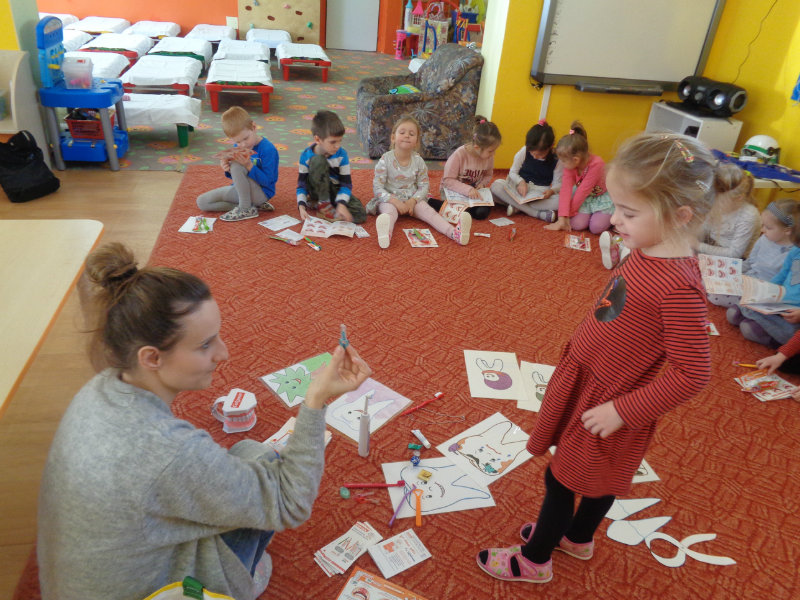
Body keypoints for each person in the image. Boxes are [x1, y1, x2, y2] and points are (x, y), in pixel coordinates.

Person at [37, 243, 372, 600]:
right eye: (205, 345)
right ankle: (240, 582)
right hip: (150, 591)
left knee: (249, 453)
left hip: (85, 579)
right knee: (265, 465)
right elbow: (290, 501)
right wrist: (315, 399)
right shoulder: (169, 450)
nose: (223, 353)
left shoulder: (99, 388)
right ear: (151, 358)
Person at [476, 133, 714, 584]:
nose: (616, 219)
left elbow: (693, 372)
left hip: (612, 401)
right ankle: (577, 537)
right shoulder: (648, 248)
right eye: (617, 208)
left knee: (562, 479)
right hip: (589, 380)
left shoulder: (680, 288)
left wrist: (623, 410)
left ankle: (535, 560)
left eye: (629, 213)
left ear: (680, 216)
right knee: (599, 476)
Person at [367, 115, 471, 248]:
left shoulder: (418, 161)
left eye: (411, 134)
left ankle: (454, 233)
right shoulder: (385, 159)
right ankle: (385, 234)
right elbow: (377, 187)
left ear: (416, 142)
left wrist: (413, 201)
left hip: (412, 199)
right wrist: (394, 201)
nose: (407, 136)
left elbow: (424, 185)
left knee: (429, 212)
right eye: (402, 132)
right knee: (389, 212)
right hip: (390, 199)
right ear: (393, 138)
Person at [727, 213, 800, 351]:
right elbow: (783, 274)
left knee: (751, 329)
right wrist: (767, 289)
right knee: (734, 314)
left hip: (793, 313)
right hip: (781, 300)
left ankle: (774, 339)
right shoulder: (796, 250)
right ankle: (762, 322)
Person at [707, 198, 797, 307]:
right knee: (709, 280)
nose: (762, 230)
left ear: (787, 230)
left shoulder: (794, 253)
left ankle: (746, 308)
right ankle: (744, 307)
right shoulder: (764, 239)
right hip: (749, 279)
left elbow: (788, 284)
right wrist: (728, 272)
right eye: (762, 225)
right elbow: (749, 263)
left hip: (767, 291)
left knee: (715, 296)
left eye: (768, 227)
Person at [197, 106, 279, 222]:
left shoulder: (268, 150)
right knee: (202, 202)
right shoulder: (238, 146)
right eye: (237, 142)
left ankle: (245, 208)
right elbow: (239, 178)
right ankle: (250, 206)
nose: (243, 145)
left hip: (262, 193)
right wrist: (227, 169)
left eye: (246, 138)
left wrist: (249, 166)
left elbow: (268, 181)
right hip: (243, 191)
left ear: (254, 127)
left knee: (236, 165)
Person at [296, 110, 366, 224]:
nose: (337, 146)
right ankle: (323, 203)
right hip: (315, 189)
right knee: (318, 160)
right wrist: (301, 207)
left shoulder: (342, 154)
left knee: (360, 214)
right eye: (333, 142)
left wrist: (341, 204)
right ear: (318, 139)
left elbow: (346, 184)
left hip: (334, 189)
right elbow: (301, 185)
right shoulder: (306, 155)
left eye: (340, 141)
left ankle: (328, 206)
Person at [544, 121, 613, 234]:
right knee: (576, 225)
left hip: (601, 197)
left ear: (576, 159)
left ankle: (612, 215)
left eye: (563, 161)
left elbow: (583, 191)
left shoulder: (597, 164)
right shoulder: (571, 165)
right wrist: (562, 218)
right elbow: (565, 190)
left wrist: (568, 215)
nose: (562, 164)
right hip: (587, 198)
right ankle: (591, 216)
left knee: (596, 228)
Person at [489, 120, 563, 222]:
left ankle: (517, 206)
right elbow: (512, 172)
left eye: (540, 154)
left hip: (539, 194)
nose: (535, 156)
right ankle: (534, 213)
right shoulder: (524, 150)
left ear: (550, 147)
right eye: (532, 153)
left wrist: (551, 191)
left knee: (560, 201)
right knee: (495, 187)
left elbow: (557, 183)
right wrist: (520, 181)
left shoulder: (557, 159)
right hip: (518, 189)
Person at [431, 116, 501, 222]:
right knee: (461, 211)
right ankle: (434, 203)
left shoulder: (489, 157)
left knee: (482, 213)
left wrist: (482, 184)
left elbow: (488, 175)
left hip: (473, 192)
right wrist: (468, 190)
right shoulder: (459, 155)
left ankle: (458, 210)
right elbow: (448, 181)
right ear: (477, 147)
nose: (493, 154)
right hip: (453, 190)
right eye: (491, 151)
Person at [694, 163, 760, 258]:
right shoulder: (717, 200)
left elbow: (734, 254)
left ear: (739, 198)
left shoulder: (748, 216)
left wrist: (697, 245)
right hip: (708, 249)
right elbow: (704, 228)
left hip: (732, 260)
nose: (715, 203)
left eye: (721, 201)